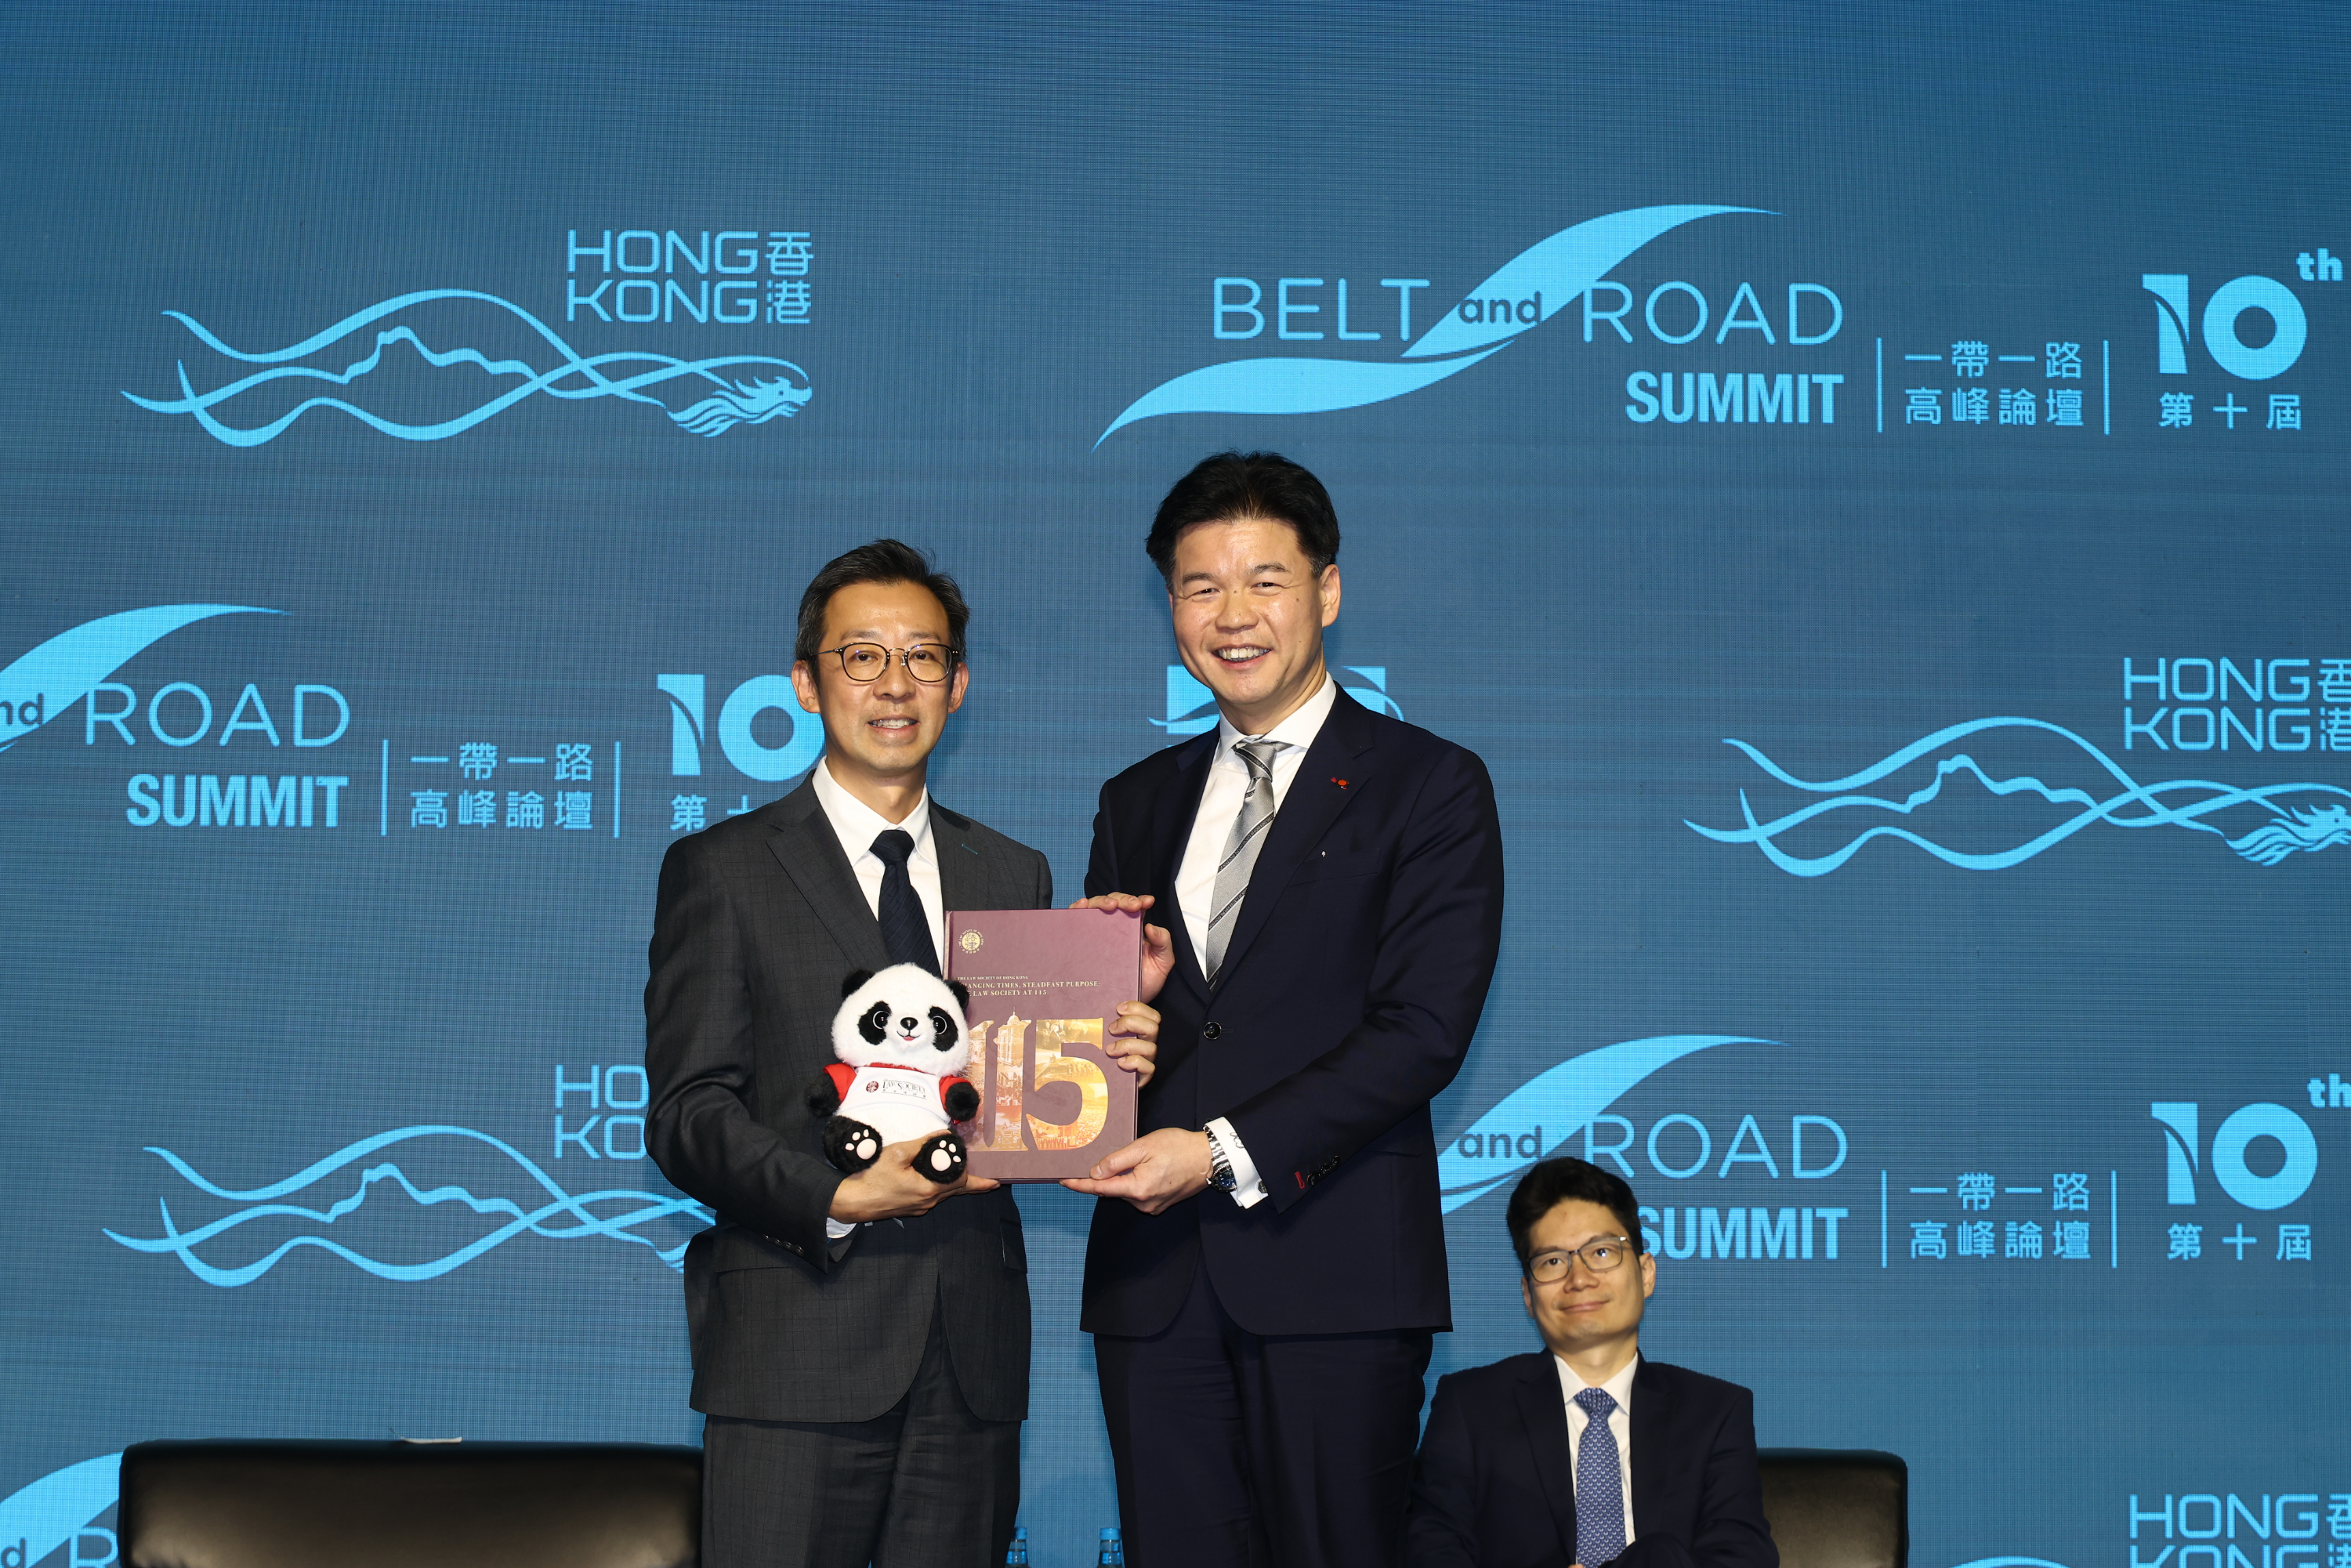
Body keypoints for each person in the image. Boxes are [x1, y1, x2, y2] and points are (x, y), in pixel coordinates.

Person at [643, 539, 1155, 1568]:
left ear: (957, 686)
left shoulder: (1010, 870)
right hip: (795, 1345)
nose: (894, 684)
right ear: (806, 682)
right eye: (863, 656)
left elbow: (1014, 1090)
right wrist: (841, 1193)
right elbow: (689, 1113)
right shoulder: (722, 868)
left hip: (969, 1355)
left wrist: (1109, 1043)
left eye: (923, 657)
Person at [1064, 451, 1508, 1568]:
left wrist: (1219, 1151)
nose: (1233, 615)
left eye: (1265, 580)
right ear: (1171, 607)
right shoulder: (1136, 799)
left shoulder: (1429, 784)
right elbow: (1137, 1041)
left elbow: (1421, 1032)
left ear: (1328, 590)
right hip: (1153, 1286)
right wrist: (1110, 1014)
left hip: (1334, 1273)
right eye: (1200, 586)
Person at [1404, 1158, 1778, 1568]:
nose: (1579, 1278)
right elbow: (1431, 1551)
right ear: (1528, 1295)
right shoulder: (1470, 1407)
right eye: (1552, 1261)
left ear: (1646, 1273)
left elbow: (1742, 1557)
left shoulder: (1715, 1411)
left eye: (1601, 1252)